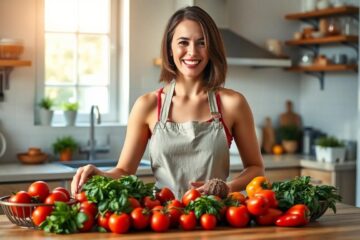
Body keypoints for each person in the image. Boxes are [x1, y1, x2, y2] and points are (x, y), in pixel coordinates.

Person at [71, 6, 264, 199]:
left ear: (211, 48)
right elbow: (124, 171)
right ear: (170, 48)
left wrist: (227, 187)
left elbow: (256, 168)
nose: (192, 52)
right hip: (163, 219)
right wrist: (101, 174)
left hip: (213, 217)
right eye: (183, 42)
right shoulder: (147, 105)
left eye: (202, 43)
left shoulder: (233, 104)